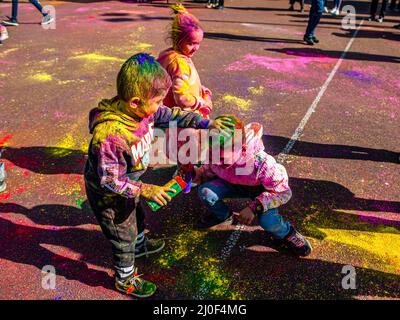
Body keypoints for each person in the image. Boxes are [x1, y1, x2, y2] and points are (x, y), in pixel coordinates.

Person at [84, 53, 231, 297]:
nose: (161, 105)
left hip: (130, 182)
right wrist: (148, 189)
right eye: (158, 100)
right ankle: (125, 278)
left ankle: (140, 246)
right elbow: (110, 180)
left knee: (137, 214)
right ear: (134, 102)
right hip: (108, 195)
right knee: (123, 235)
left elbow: (172, 115)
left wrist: (206, 123)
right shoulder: (110, 135)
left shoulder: (145, 110)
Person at [195, 115, 312, 257]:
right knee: (206, 192)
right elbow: (210, 169)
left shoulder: (262, 163)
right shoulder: (217, 152)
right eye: (214, 154)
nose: (217, 161)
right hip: (233, 184)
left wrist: (255, 206)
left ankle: (286, 233)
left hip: (261, 190)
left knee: (268, 221)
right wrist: (198, 174)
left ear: (242, 147)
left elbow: (283, 192)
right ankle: (224, 215)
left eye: (222, 157)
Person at [157, 3, 214, 192]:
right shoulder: (180, 64)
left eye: (198, 43)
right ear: (178, 39)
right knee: (188, 152)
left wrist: (199, 87)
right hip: (183, 118)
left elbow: (181, 82)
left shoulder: (169, 55)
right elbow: (181, 97)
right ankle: (186, 182)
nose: (196, 48)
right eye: (191, 43)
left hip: (172, 115)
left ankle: (185, 174)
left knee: (184, 152)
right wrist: (201, 101)